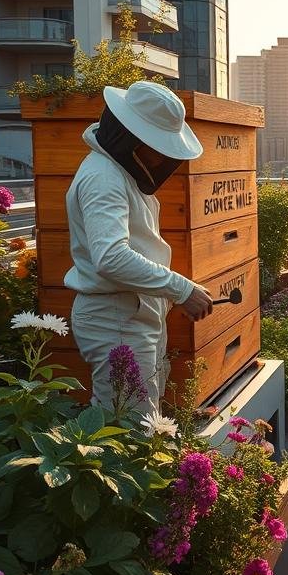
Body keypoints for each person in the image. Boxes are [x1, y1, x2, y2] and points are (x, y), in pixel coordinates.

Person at [64, 81, 213, 414]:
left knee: (141, 428)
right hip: (115, 319)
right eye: (157, 144)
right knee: (130, 435)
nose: (161, 155)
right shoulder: (104, 179)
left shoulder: (117, 173)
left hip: (129, 315)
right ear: (132, 136)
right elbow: (111, 257)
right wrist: (181, 288)